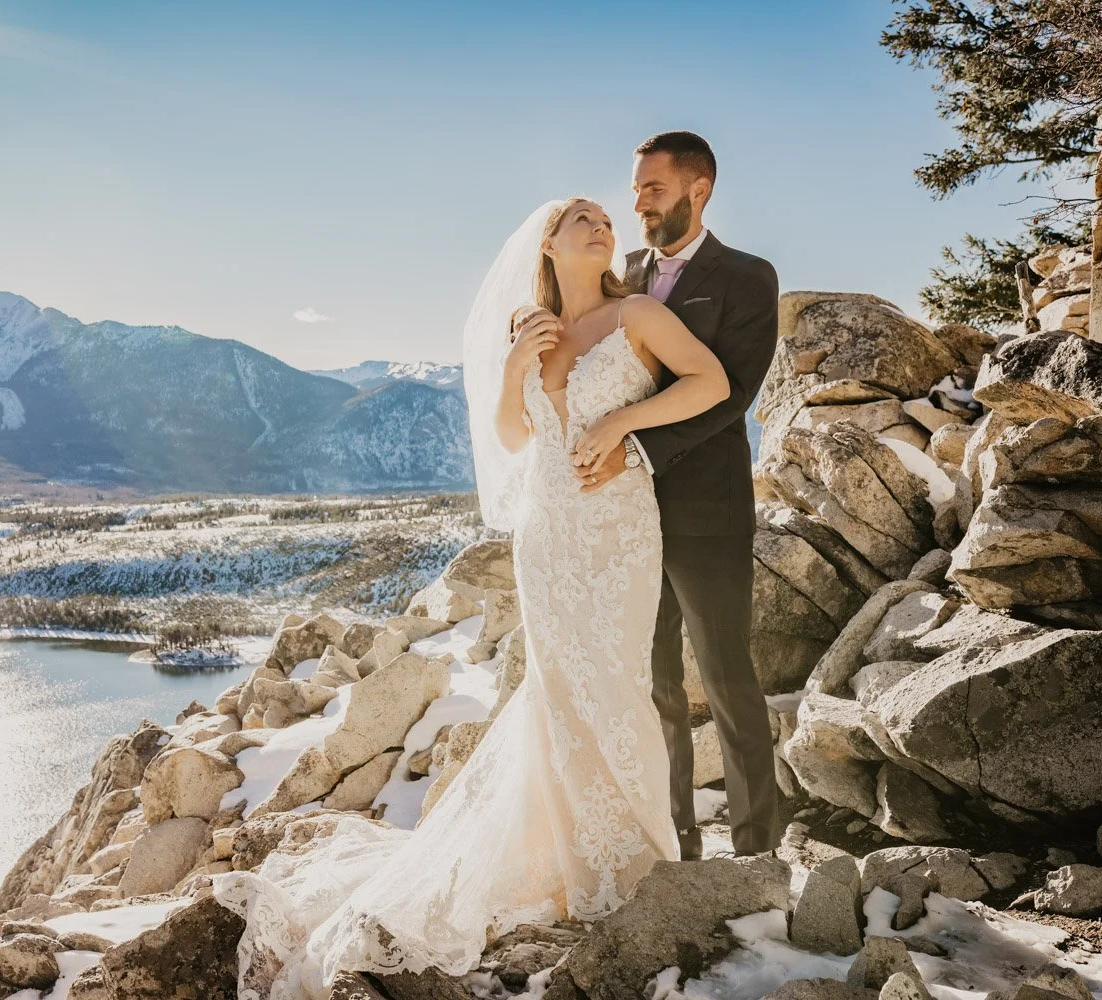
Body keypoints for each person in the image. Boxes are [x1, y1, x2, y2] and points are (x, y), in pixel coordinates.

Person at [209, 195, 731, 1000]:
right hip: (547, 533)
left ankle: (639, 858)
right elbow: (515, 438)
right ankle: (573, 862)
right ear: (549, 245)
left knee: (617, 682)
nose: (602, 226)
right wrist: (518, 367)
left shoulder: (637, 315)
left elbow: (710, 382)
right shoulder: (532, 331)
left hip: (620, 527)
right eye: (581, 219)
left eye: (605, 219)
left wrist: (625, 421)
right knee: (559, 692)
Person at [558, 131, 782, 859]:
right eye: (636, 191)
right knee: (653, 684)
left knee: (725, 677)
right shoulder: (622, 274)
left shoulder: (747, 276)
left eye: (652, 189)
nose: (639, 205)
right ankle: (675, 839)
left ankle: (755, 850)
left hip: (706, 509)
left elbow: (732, 392)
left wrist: (636, 451)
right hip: (624, 515)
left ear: (698, 189)